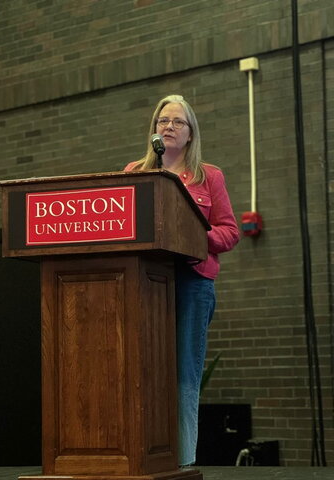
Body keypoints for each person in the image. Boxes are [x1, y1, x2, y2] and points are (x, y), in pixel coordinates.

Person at [124, 94, 240, 466]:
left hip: (192, 283)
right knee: (142, 373)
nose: (169, 127)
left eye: (178, 122)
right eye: (163, 121)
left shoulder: (209, 176)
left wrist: (191, 232)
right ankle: (144, 459)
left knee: (185, 378)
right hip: (144, 283)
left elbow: (230, 233)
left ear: (190, 134)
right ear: (154, 130)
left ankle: (183, 463)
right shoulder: (134, 173)